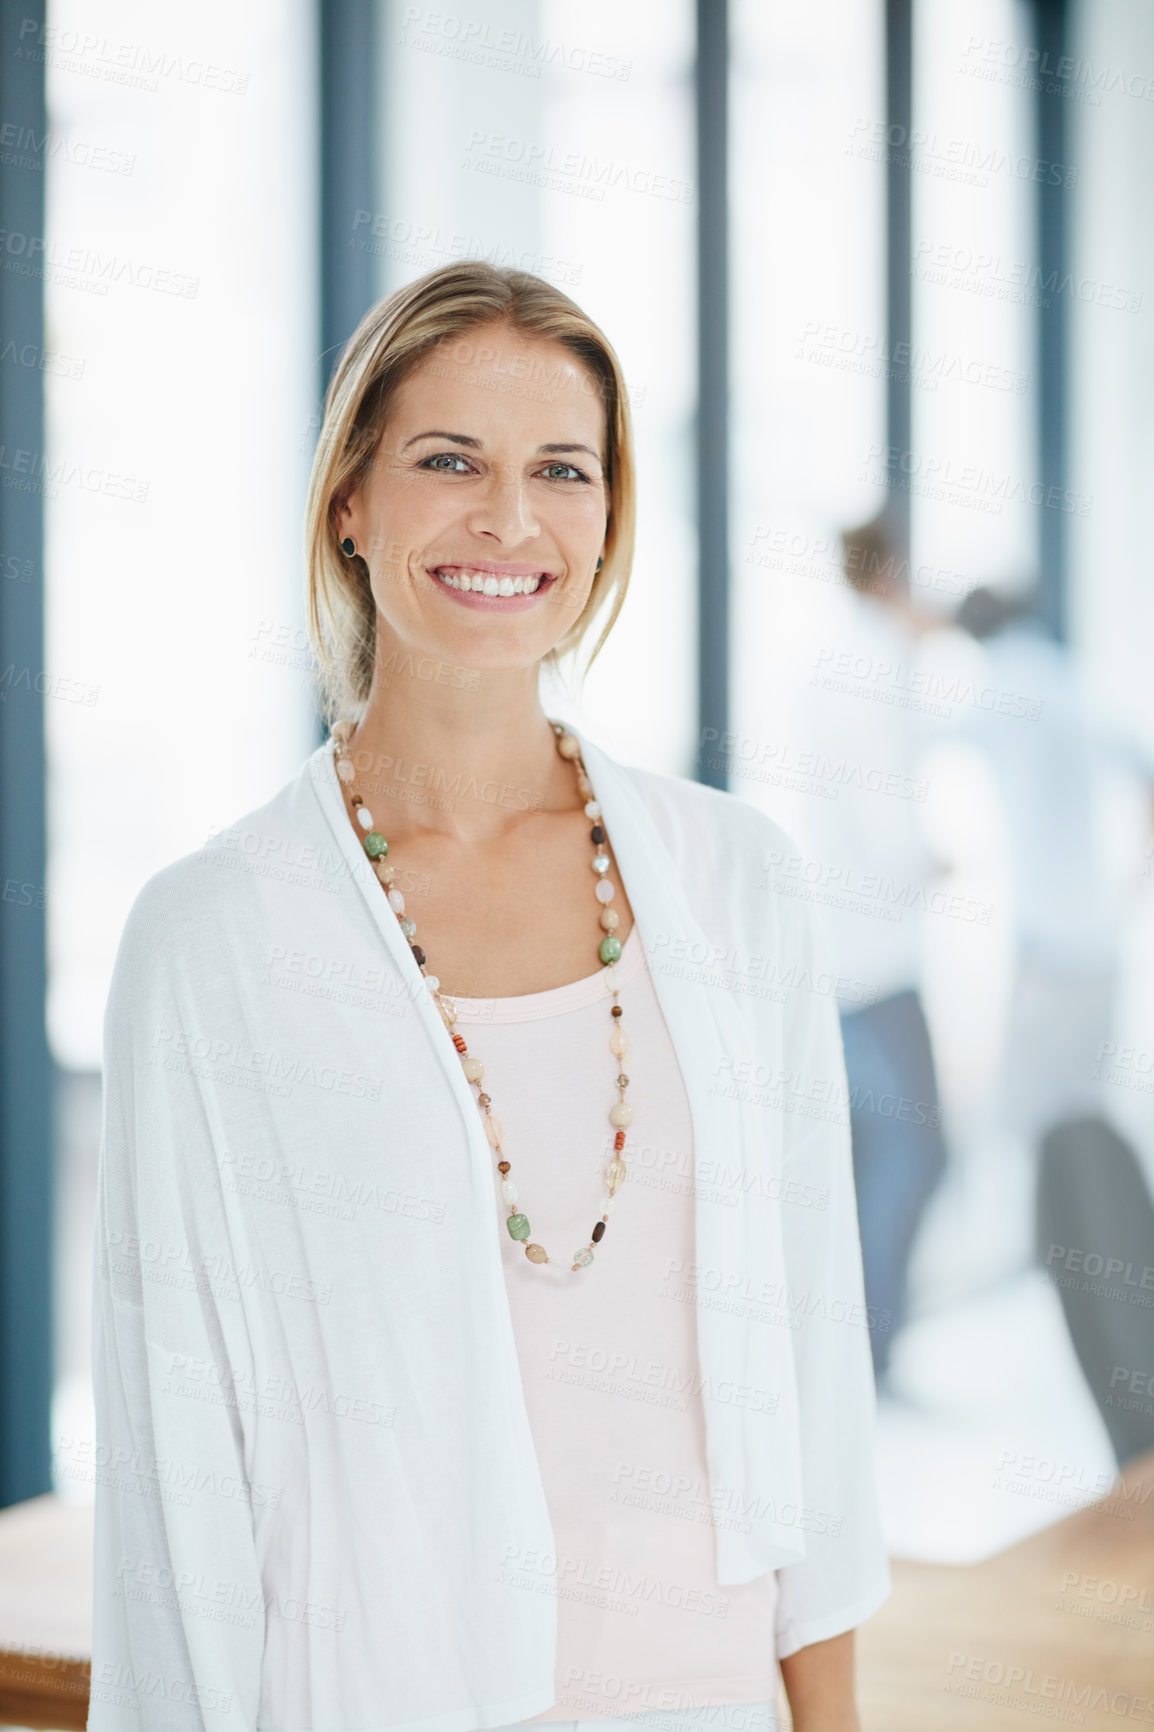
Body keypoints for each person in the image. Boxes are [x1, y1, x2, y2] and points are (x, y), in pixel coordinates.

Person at [88, 262, 889, 1732]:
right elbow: (172, 1460)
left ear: (608, 514)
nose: (508, 520)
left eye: (559, 471)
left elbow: (811, 1362)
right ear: (349, 499)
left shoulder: (736, 884)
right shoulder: (210, 942)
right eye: (447, 460)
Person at [768, 507, 949, 1384]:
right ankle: (866, 1357)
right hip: (876, 962)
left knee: (860, 1158)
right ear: (895, 573)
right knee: (916, 1154)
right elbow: (888, 830)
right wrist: (939, 863)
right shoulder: (875, 663)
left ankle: (844, 1353)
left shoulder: (818, 657)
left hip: (827, 955)